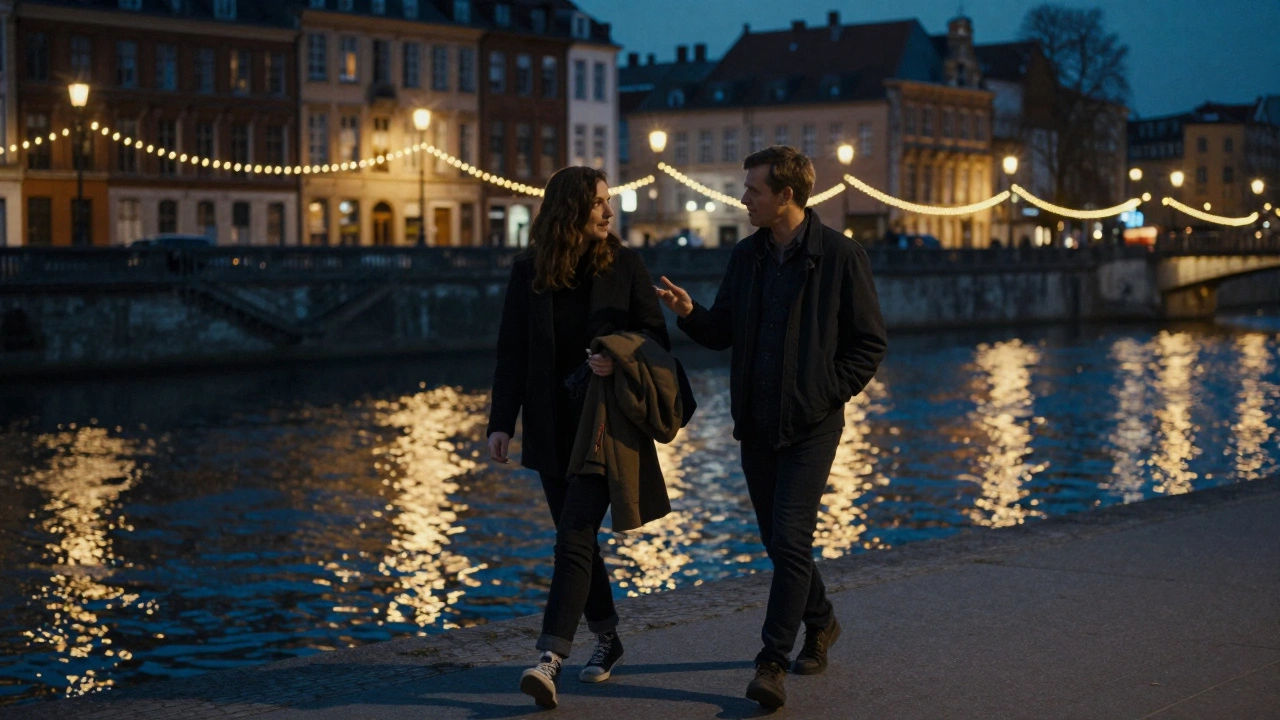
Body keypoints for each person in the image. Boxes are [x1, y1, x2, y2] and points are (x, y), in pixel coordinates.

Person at [656, 146, 887, 709]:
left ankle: (772, 662)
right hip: (756, 424)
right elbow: (722, 332)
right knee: (778, 542)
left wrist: (825, 393)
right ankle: (823, 620)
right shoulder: (747, 256)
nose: (743, 198)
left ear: (786, 195)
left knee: (789, 539)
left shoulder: (839, 256)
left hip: (811, 426)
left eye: (753, 190)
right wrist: (690, 314)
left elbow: (868, 344)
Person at [486, 166, 671, 708]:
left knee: (571, 536)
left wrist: (616, 355)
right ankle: (608, 640)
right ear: (569, 207)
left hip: (602, 425)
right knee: (581, 539)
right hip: (549, 426)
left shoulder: (626, 264)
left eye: (607, 202)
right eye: (597, 203)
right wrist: (502, 422)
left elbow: (655, 337)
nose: (608, 212)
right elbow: (512, 353)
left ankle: (550, 659)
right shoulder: (529, 271)